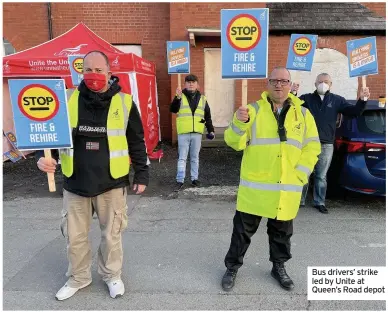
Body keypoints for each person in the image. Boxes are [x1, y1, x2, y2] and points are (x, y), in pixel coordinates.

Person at [36, 50, 149, 300]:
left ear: (109, 73)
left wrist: (142, 174)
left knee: (112, 236)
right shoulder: (65, 100)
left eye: (99, 70)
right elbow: (48, 137)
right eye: (88, 70)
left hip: (111, 184)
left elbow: (136, 141)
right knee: (74, 238)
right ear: (81, 72)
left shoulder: (125, 102)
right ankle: (79, 277)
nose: (93, 74)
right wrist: (42, 159)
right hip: (75, 184)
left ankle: (112, 276)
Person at [221, 67, 321, 292]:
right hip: (255, 188)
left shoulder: (303, 114)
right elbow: (232, 141)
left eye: (284, 81)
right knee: (241, 234)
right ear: (267, 84)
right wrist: (239, 123)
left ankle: (279, 267)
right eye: (274, 81)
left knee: (282, 235)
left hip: (286, 188)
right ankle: (232, 268)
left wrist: (300, 174)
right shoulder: (252, 111)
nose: (279, 85)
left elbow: (312, 146)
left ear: (290, 84)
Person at [291, 73, 370, 214]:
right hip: (307, 143)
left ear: (331, 84)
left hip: (326, 144)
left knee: (321, 176)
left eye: (326, 81)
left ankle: (319, 202)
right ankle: (298, 201)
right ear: (315, 84)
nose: (323, 84)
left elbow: (354, 112)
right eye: (320, 81)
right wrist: (293, 92)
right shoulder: (307, 98)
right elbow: (292, 107)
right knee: (304, 174)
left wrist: (363, 99)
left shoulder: (337, 100)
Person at [170, 74, 215, 189]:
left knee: (195, 157)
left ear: (197, 85)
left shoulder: (203, 99)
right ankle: (180, 180)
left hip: (197, 133)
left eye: (193, 82)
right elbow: (173, 109)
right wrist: (177, 97)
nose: (191, 84)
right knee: (182, 157)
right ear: (185, 84)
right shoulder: (180, 96)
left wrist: (211, 130)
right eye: (188, 82)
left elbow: (208, 116)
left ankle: (194, 179)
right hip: (184, 133)